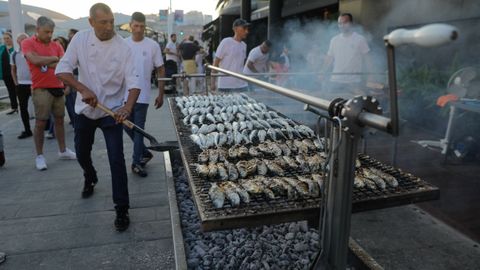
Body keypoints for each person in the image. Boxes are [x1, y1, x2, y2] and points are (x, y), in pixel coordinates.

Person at [56, 3, 142, 232]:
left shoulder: (124, 47)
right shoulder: (80, 40)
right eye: (103, 22)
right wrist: (82, 88)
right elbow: (62, 70)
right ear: (91, 22)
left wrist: (127, 107)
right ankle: (90, 175)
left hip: (112, 111)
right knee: (82, 151)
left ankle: (122, 209)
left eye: (111, 21)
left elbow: (134, 81)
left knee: (116, 158)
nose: (109, 26)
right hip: (85, 110)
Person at [22, 16, 77, 171]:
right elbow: (34, 60)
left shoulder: (55, 44)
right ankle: (39, 155)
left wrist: (44, 61)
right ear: (37, 29)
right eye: (46, 32)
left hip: (57, 86)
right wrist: (53, 58)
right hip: (41, 88)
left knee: (59, 120)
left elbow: (63, 63)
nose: (49, 35)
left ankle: (63, 150)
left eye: (51, 32)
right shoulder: (28, 43)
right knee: (40, 123)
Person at [123, 11, 165, 177]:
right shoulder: (123, 44)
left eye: (142, 26)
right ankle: (144, 152)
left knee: (138, 128)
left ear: (145, 27)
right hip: (123, 95)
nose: (139, 29)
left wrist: (161, 93)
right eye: (136, 26)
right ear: (130, 25)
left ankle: (136, 162)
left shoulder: (152, 45)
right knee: (125, 125)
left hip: (143, 94)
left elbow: (161, 68)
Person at [322, 13, 373, 98]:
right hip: (335, 81)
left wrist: (371, 76)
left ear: (351, 23)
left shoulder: (360, 39)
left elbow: (368, 59)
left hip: (353, 82)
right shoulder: (334, 40)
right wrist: (322, 72)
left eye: (345, 22)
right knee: (335, 106)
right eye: (339, 23)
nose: (342, 25)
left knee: (353, 107)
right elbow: (329, 58)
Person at [211, 18, 250, 93]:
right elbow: (215, 63)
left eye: (247, 29)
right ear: (235, 29)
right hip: (226, 85)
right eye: (244, 28)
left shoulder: (244, 45)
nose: (247, 31)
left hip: (242, 85)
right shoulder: (226, 42)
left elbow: (241, 65)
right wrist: (213, 83)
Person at [10, 33, 33, 139]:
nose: (23, 42)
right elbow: (13, 70)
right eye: (21, 40)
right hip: (21, 85)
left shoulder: (33, 52)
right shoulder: (14, 54)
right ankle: (27, 130)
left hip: (34, 84)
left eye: (25, 40)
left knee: (41, 106)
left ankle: (46, 127)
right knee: (23, 109)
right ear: (18, 42)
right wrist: (16, 83)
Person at [1, 32, 17, 115]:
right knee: (11, 91)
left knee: (19, 91)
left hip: (16, 73)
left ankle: (22, 107)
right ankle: (14, 107)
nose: (6, 40)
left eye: (8, 38)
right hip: (5, 73)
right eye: (4, 38)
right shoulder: (2, 48)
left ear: (11, 38)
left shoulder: (15, 48)